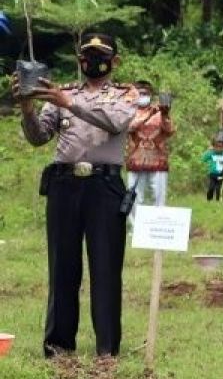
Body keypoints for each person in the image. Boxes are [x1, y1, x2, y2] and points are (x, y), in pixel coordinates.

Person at [11, 32, 138, 361]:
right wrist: (27, 107)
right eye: (86, 54)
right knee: (62, 266)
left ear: (115, 61)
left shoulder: (125, 95)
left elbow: (116, 122)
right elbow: (39, 137)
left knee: (105, 267)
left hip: (104, 187)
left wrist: (70, 103)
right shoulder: (61, 92)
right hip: (64, 185)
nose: (92, 61)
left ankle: (107, 348)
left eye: (101, 54)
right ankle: (58, 345)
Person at [125, 80, 176, 211]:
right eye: (140, 93)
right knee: (135, 198)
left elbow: (170, 131)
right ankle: (136, 228)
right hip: (136, 160)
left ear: (150, 95)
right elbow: (129, 128)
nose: (143, 96)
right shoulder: (129, 111)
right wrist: (149, 114)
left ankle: (158, 226)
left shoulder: (159, 112)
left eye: (145, 93)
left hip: (158, 160)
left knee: (159, 198)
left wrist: (165, 115)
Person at [201, 134, 223, 202]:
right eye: (216, 147)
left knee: (218, 188)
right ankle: (209, 199)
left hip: (221, 175)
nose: (218, 149)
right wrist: (208, 150)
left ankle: (218, 200)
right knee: (211, 187)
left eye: (220, 147)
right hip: (212, 174)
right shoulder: (211, 153)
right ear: (214, 146)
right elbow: (203, 158)